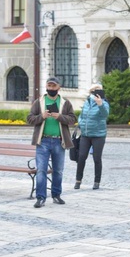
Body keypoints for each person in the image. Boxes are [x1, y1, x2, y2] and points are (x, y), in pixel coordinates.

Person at [28, 77, 77, 208]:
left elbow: (73, 119)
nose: (51, 88)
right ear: (46, 87)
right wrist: (41, 117)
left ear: (58, 88)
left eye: (53, 86)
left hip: (59, 141)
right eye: (49, 86)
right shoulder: (39, 102)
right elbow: (30, 119)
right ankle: (40, 198)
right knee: (41, 170)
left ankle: (56, 195)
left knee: (58, 170)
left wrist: (60, 117)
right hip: (42, 140)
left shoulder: (65, 102)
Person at [75, 84, 110, 190]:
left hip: (98, 135)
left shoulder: (104, 103)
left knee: (97, 158)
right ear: (91, 92)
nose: (96, 92)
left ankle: (96, 182)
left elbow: (105, 115)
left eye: (99, 90)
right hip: (86, 135)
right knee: (81, 157)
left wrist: (100, 105)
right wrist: (80, 123)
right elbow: (82, 115)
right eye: (94, 90)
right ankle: (78, 180)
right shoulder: (87, 102)